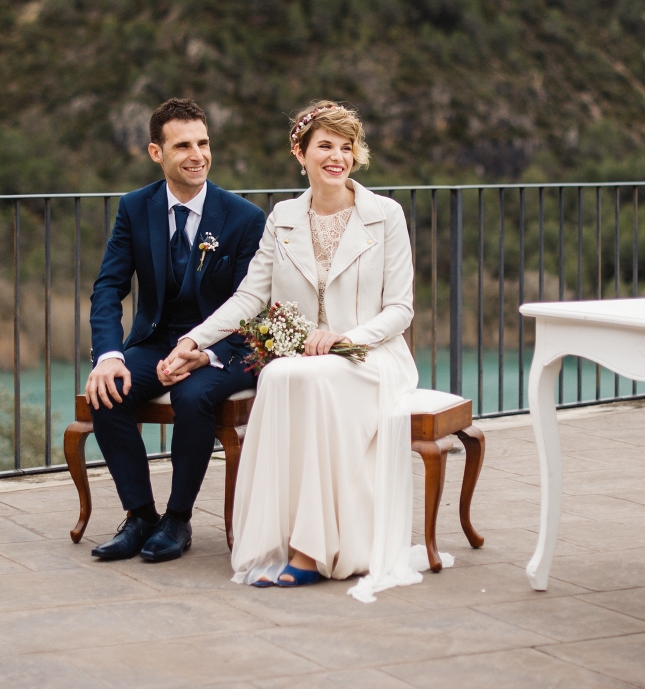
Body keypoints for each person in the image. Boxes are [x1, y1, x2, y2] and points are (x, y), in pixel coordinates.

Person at [162, 100, 443, 600]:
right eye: (325, 146)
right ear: (301, 153)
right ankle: (280, 540)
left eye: (346, 147)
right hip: (305, 359)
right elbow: (250, 297)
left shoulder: (386, 216)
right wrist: (193, 339)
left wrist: (344, 339)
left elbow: (400, 309)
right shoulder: (284, 216)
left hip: (372, 356)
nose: (337, 157)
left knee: (306, 378)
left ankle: (312, 552)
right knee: (280, 375)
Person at [84, 98, 266, 563]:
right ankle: (141, 515)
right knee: (109, 389)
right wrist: (108, 355)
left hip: (227, 347)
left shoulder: (244, 218)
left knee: (193, 395)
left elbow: (255, 307)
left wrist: (205, 352)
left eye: (203, 143)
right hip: (158, 339)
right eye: (183, 145)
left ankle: (178, 519)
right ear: (155, 153)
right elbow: (108, 288)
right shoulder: (134, 208)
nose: (197, 155)